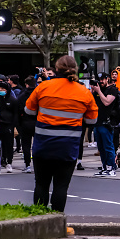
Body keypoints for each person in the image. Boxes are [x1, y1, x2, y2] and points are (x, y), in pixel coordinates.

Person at [25, 56, 98, 212]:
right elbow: (92, 121)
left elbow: (29, 110)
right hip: (67, 148)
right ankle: (57, 221)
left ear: (56, 69)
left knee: (41, 184)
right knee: (61, 186)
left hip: (43, 145)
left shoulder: (43, 87)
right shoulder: (84, 92)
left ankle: (39, 221)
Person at [91, 73, 119, 177]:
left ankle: (111, 167)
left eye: (103, 79)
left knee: (108, 146)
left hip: (107, 122)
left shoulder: (112, 90)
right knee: (101, 147)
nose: (101, 81)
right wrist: (93, 91)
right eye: (99, 79)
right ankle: (104, 167)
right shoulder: (98, 90)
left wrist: (98, 91)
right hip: (97, 122)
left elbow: (107, 102)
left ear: (107, 79)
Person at [17, 76, 37, 173]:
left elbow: (18, 108)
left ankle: (27, 164)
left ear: (26, 84)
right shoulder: (39, 94)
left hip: (25, 121)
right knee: (37, 144)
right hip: (38, 121)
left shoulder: (22, 95)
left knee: (26, 144)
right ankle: (38, 164)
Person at [0, 82, 18, 173]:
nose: (1, 90)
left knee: (8, 145)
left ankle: (9, 162)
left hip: (9, 125)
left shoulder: (13, 100)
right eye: (0, 89)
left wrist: (14, 126)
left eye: (3, 89)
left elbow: (16, 114)